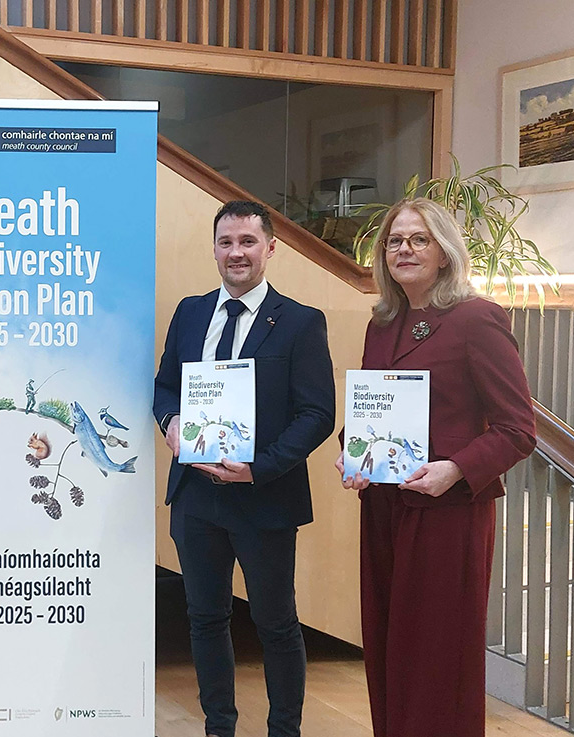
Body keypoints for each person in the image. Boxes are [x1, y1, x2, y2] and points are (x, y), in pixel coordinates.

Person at [335, 198, 535, 737]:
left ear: (444, 252)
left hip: (448, 512)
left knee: (438, 659)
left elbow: (518, 428)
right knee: (387, 646)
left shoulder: (476, 318)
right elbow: (373, 408)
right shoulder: (383, 323)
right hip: (383, 505)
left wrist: (455, 469)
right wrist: (352, 450)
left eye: (418, 239)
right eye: (394, 241)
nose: (404, 249)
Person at [153, 200, 335, 737]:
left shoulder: (300, 321)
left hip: (265, 496)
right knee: (205, 618)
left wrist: (259, 469)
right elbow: (165, 386)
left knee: (275, 624)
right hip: (196, 497)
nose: (237, 253)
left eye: (248, 242)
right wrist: (170, 421)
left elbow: (317, 414)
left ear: (270, 248)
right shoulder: (190, 313)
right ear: (214, 249)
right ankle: (219, 726)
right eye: (226, 242)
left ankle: (284, 731)